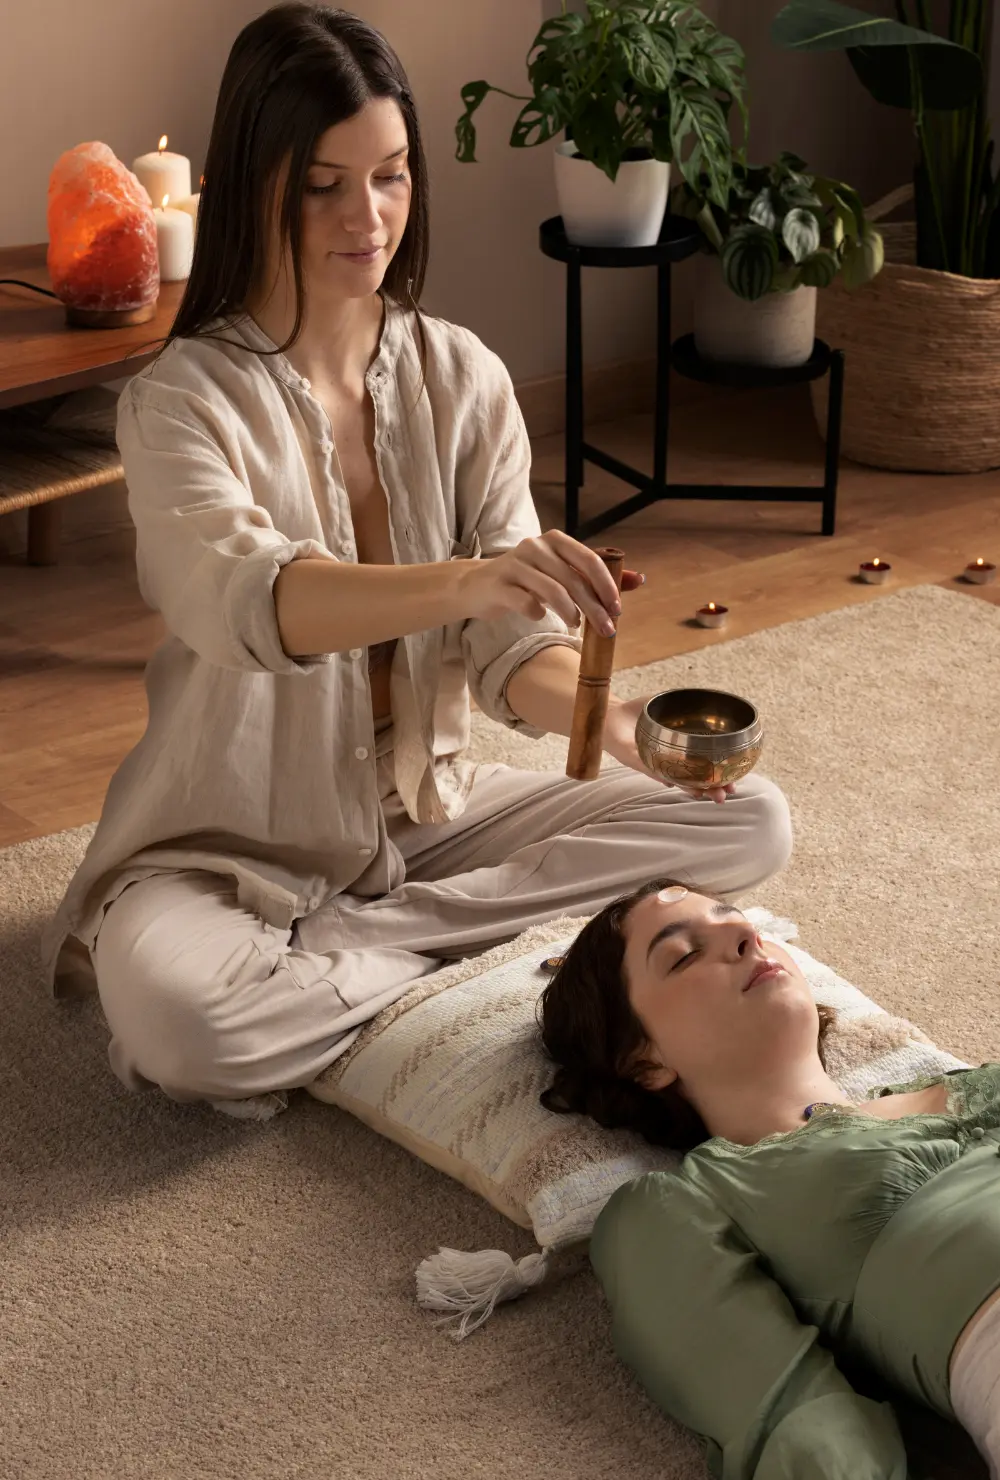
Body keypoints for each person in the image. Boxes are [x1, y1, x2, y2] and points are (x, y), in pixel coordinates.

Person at [43, 4, 791, 1118]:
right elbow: (254, 601)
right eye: (324, 185)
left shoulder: (463, 375)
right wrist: (470, 578)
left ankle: (362, 944)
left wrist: (619, 724)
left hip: (424, 814)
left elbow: (510, 650)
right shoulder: (177, 404)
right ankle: (443, 947)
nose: (369, 217)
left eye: (391, 176)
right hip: (220, 845)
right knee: (188, 1030)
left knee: (749, 817)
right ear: (253, 187)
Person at [537, 879, 1000, 1479]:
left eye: (738, 921)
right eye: (684, 955)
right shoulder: (686, 1204)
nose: (743, 933)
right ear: (642, 1061)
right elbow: (794, 1419)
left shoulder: (972, 1082)